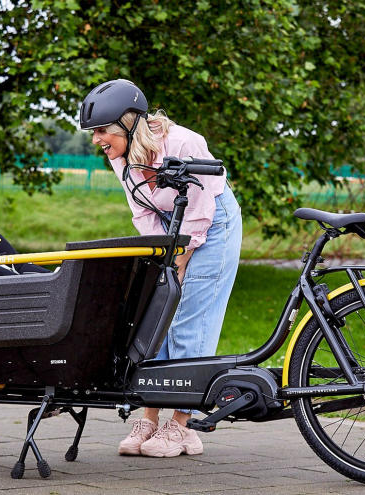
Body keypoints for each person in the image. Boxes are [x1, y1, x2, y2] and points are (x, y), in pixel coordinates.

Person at [80, 79, 243, 458]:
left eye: (102, 131)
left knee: (190, 320)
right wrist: (164, 260)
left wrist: (182, 260)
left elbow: (201, 212)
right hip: (171, 228)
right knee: (156, 317)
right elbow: (143, 212)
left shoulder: (184, 144)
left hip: (212, 226)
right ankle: (150, 416)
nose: (96, 140)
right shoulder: (120, 155)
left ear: (127, 123)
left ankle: (183, 425)